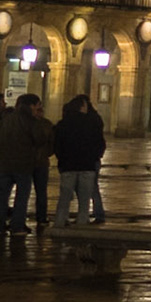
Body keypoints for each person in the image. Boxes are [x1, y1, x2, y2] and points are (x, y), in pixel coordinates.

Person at [1, 94, 54, 233]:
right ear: (31, 106)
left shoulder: (7, 118)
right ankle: (17, 225)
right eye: (38, 105)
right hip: (23, 164)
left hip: (4, 164)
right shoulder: (30, 120)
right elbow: (40, 139)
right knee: (21, 197)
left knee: (2, 196)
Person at [53, 94, 106, 227]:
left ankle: (59, 223)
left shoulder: (62, 124)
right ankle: (82, 226)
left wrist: (62, 159)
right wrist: (95, 157)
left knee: (64, 198)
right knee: (84, 201)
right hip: (87, 166)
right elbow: (100, 143)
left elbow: (56, 145)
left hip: (68, 166)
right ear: (82, 107)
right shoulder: (91, 122)